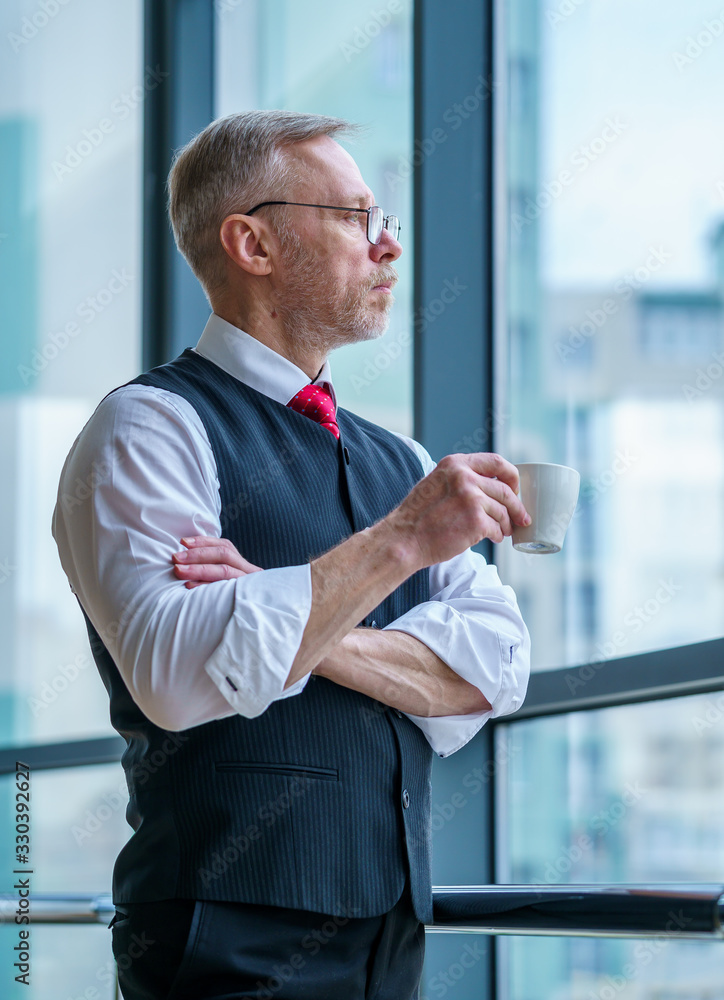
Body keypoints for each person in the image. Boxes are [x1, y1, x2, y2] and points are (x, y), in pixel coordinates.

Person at [52, 110, 531, 1000]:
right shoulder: (148, 426)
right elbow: (178, 671)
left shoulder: (406, 462)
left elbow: (494, 672)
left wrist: (282, 617)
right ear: (253, 243)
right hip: (219, 937)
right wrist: (399, 546)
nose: (388, 248)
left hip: (393, 939)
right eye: (356, 219)